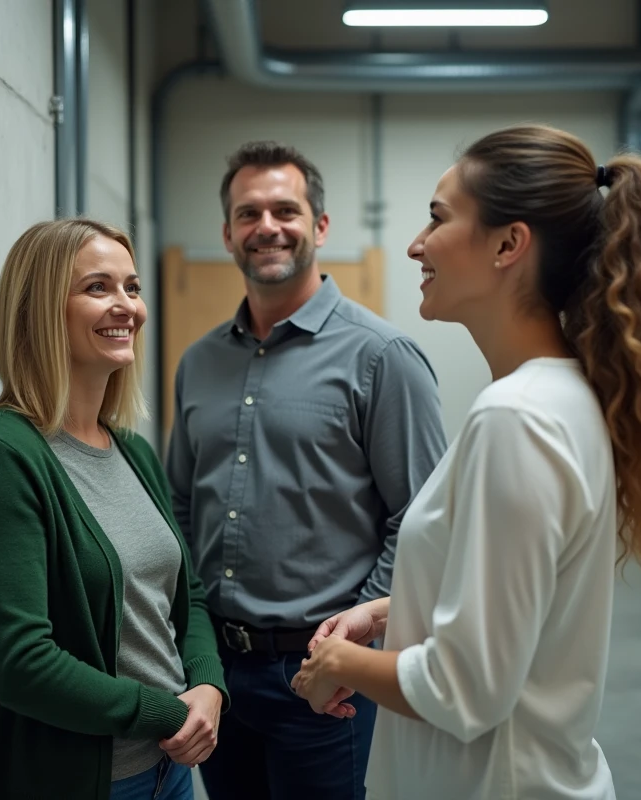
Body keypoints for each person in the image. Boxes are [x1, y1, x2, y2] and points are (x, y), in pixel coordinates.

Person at [291, 124, 641, 800]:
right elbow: (518, 606)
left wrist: (337, 663)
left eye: (436, 218)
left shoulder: (515, 418)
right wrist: (389, 613)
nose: (415, 245)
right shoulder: (559, 396)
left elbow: (467, 690)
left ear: (509, 244)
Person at [164, 140, 448, 799]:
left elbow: (423, 520)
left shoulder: (382, 358)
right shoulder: (198, 363)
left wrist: (346, 648)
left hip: (321, 676)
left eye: (285, 210)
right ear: (228, 233)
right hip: (217, 673)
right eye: (248, 213)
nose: (267, 227)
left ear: (320, 226)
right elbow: (181, 504)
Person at [0, 219, 229, 800]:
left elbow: (187, 596)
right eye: (98, 288)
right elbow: (21, 665)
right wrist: (164, 712)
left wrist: (207, 686)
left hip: (169, 772)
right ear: (41, 309)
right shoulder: (1, 456)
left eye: (132, 287)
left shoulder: (133, 450)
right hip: (82, 782)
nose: (126, 306)